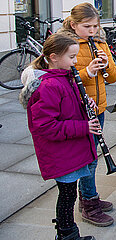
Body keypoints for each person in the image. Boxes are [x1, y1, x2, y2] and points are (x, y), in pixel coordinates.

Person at [22, 33, 98, 240]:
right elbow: (45, 126)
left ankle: (68, 232)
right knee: (67, 196)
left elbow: (68, 109)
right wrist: (84, 126)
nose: (75, 62)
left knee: (69, 194)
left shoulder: (66, 78)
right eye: (72, 57)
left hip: (70, 149)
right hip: (61, 153)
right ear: (54, 57)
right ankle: (66, 234)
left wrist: (86, 105)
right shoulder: (49, 85)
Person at [59, 3, 116, 227]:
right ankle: (88, 204)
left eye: (96, 26)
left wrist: (105, 65)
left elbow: (113, 77)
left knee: (92, 156)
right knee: (88, 159)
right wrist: (88, 71)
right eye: (87, 26)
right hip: (77, 111)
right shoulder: (67, 45)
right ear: (73, 25)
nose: (93, 31)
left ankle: (89, 196)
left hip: (98, 107)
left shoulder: (101, 43)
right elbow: (62, 79)